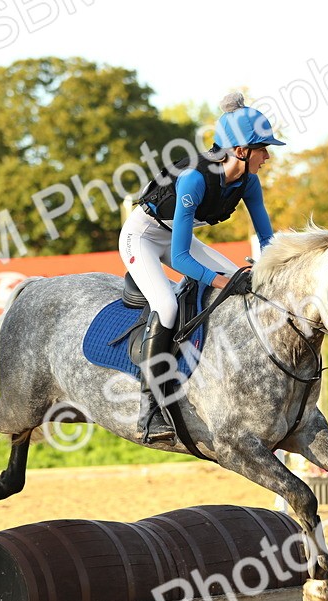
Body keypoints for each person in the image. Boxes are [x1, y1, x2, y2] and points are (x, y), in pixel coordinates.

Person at [120, 91, 283, 441]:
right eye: (263, 149)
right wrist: (220, 280)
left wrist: (272, 271)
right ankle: (150, 410)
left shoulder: (248, 182)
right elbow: (179, 259)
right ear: (241, 150)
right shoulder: (194, 179)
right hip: (143, 238)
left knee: (243, 287)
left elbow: (267, 240)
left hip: (178, 237)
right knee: (166, 305)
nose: (267, 157)